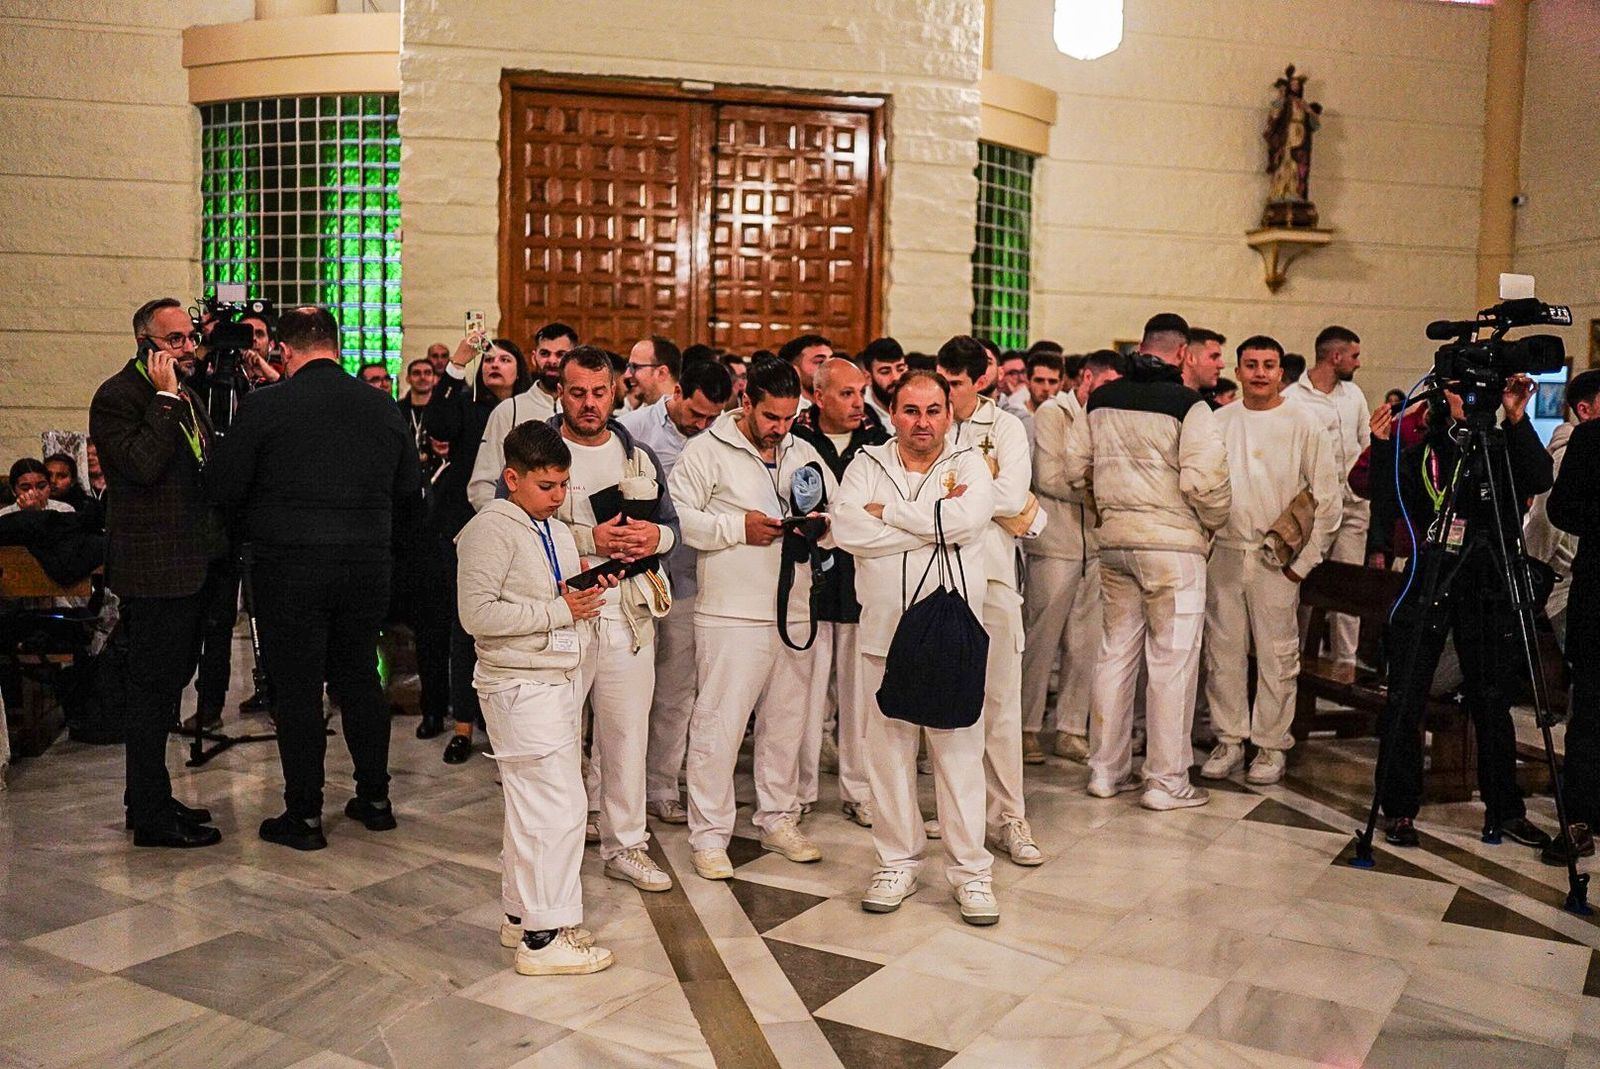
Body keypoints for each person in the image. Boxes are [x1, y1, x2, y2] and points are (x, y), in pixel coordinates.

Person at [209, 306, 422, 851]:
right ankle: (375, 799)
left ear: (283, 348)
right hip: (367, 564)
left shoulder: (265, 406)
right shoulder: (382, 407)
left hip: (291, 565)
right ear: (335, 343)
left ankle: (303, 815)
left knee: (299, 688)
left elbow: (227, 487)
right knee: (359, 678)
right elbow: (407, 489)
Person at [832, 370, 999, 922]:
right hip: (883, 631)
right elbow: (847, 530)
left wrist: (894, 516)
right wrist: (934, 526)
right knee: (888, 757)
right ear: (892, 413)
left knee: (957, 757)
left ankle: (971, 873)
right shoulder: (867, 463)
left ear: (949, 414)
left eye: (933, 410)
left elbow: (970, 519)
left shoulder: (968, 463)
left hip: (950, 632)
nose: (922, 422)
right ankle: (896, 861)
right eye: (910, 410)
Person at [455, 419, 618, 976]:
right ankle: (546, 940)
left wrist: (585, 590)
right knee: (558, 806)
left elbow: (545, 590)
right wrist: (559, 611)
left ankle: (521, 918)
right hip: (520, 685)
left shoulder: (544, 525)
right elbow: (477, 616)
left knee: (533, 806)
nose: (559, 497)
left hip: (550, 679)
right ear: (512, 478)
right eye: (547, 486)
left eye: (563, 485)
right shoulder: (489, 530)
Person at [667, 357, 837, 880]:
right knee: (719, 724)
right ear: (746, 402)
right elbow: (680, 520)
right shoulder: (705, 451)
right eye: (771, 417)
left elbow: (838, 513)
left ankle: (779, 817)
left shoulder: (803, 449)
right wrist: (738, 527)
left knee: (787, 722)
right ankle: (710, 835)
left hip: (794, 607)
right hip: (729, 612)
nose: (779, 429)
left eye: (789, 417)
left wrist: (817, 527)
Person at [1367, 374, 1551, 850]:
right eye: (1455, 388)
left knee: (1491, 700)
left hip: (1487, 577)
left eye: (1475, 387)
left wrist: (1515, 417)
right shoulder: (1424, 453)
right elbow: (1392, 508)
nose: (1468, 397)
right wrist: (1383, 447)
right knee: (1406, 695)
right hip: (1432, 574)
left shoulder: (1502, 446)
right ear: (1437, 396)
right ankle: (1400, 808)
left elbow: (1539, 478)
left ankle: (1505, 810)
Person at [1064, 312, 1231, 811]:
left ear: (1141, 346)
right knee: (1172, 662)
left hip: (1114, 543)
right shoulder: (1188, 405)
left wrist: (1108, 509)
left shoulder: (1101, 399)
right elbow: (1205, 482)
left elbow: (1076, 468)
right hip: (1172, 548)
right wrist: (1211, 521)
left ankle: (1105, 771)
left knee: (1114, 655)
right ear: (1182, 353)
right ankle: (1166, 781)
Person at [89, 297, 228, 848]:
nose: (189, 348)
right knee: (150, 695)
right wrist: (165, 399)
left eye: (190, 337)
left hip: (193, 565)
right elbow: (143, 465)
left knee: (170, 688)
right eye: (175, 340)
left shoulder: (189, 395)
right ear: (146, 344)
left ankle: (149, 796)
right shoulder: (119, 397)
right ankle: (148, 816)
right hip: (154, 571)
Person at [543, 346, 680, 893]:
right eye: (578, 392)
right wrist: (589, 538)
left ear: (616, 391)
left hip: (627, 612)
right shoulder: (539, 449)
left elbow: (672, 528)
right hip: (564, 614)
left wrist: (654, 537)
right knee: (557, 734)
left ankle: (627, 845)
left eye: (600, 393)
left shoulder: (638, 453)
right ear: (560, 391)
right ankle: (558, 841)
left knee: (626, 734)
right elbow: (517, 526)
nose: (589, 404)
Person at [1198, 336, 1340, 786]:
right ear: (1237, 372)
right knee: (1223, 653)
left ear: (1282, 372)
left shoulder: (1306, 423)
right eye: (1251, 364)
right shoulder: (1218, 422)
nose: (1259, 373)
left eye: (1269, 365)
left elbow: (1328, 500)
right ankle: (1230, 739)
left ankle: (1271, 745)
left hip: (1276, 557)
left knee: (1278, 656)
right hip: (1224, 552)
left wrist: (1303, 563)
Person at [938, 337, 1045, 865]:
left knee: (1001, 702)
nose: (945, 391)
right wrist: (974, 499)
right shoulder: (928, 420)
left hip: (996, 575)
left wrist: (954, 498)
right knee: (950, 701)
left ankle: (1010, 818)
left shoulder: (1003, 427)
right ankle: (959, 811)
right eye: (941, 379)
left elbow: (1014, 493)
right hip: (937, 576)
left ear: (980, 381)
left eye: (954, 383)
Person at [619, 358, 734, 824]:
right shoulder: (633, 429)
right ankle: (611, 791)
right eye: (697, 414)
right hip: (634, 580)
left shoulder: (720, 437)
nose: (704, 424)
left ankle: (662, 784)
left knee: (675, 690)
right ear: (679, 390)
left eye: (713, 417)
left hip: (688, 581)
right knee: (624, 693)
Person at [789, 357, 890, 825]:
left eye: (861, 392)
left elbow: (884, 507)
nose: (857, 402)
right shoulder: (795, 440)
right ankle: (800, 790)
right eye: (846, 393)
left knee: (859, 698)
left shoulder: (879, 441)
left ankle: (859, 789)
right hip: (807, 583)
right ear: (819, 396)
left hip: (861, 584)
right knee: (805, 697)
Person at [427, 337, 533, 749]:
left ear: (519, 368)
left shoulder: (530, 411)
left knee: (512, 620)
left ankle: (502, 719)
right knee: (465, 625)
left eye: (505, 359)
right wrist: (456, 364)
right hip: (466, 523)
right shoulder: (467, 407)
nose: (494, 365)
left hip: (524, 529)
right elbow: (437, 425)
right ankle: (463, 724)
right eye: (488, 359)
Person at [1023, 350, 1124, 764]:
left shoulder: (1110, 415)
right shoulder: (1053, 413)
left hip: (1095, 542)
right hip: (1055, 543)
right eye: (1104, 385)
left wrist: (1093, 478)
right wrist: (1101, 485)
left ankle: (1071, 727)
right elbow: (1047, 477)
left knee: (1086, 645)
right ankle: (1027, 727)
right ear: (1085, 378)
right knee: (1040, 641)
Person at [1287, 326, 1369, 667]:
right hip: (1314, 509)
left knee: (1350, 591)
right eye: (1354, 355)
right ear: (1335, 357)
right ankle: (1298, 661)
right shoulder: (1293, 398)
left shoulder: (1354, 396)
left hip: (1352, 505)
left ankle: (1345, 663)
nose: (1358, 363)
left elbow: (1366, 443)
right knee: (1303, 587)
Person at [1547, 397, 1600, 864]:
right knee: (1588, 712)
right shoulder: (1590, 437)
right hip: (1599, 593)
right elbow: (1562, 510)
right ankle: (1579, 816)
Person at [1525, 370, 1600, 648]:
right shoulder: (1568, 455)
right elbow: (1546, 522)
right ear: (1584, 409)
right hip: (1567, 589)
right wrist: (1531, 583)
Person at [468, 323, 578, 510]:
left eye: (560, 355)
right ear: (534, 357)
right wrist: (505, 521)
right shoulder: (509, 410)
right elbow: (482, 484)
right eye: (545, 354)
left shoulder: (584, 410)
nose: (552, 361)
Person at [1014, 351, 1064, 446]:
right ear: (1027, 381)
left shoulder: (1067, 416)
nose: (1046, 388)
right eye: (1039, 381)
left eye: (1052, 382)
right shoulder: (1016, 415)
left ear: (1061, 385)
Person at [623, 336, 681, 412]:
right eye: (629, 367)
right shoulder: (634, 419)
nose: (627, 374)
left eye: (635, 367)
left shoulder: (689, 416)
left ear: (662, 373)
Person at [859, 337, 907, 427]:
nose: (895, 378)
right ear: (868, 377)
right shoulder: (860, 412)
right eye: (885, 372)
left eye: (900, 369)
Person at [779, 335, 832, 409]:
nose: (830, 367)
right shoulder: (785, 412)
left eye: (832, 361)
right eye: (819, 362)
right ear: (793, 370)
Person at [4, 459, 73, 515]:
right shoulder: (4, 516)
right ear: (13, 490)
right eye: (26, 488)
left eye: (41, 486)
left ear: (49, 486)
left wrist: (38, 513)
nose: (35, 493)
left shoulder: (65, 510)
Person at [1183, 328, 1226, 393]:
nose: (1222, 365)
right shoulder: (1165, 399)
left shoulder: (1207, 402)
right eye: (1214, 357)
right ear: (1190, 358)